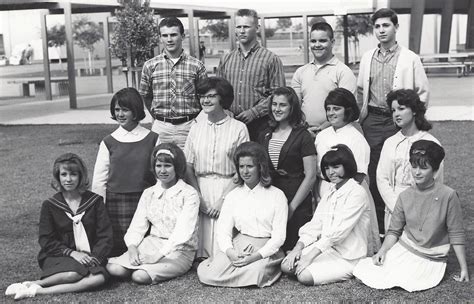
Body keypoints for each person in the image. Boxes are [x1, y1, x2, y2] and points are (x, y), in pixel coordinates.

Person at [354, 140, 469, 292]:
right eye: (414, 166)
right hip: (405, 249)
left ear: (434, 170)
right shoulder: (405, 196)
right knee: (367, 271)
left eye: (424, 168)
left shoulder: (448, 195)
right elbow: (394, 231)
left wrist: (464, 268)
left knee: (406, 281)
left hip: (431, 258)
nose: (417, 172)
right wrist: (382, 251)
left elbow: (456, 233)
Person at [357, 8, 429, 233]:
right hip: (373, 121)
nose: (381, 30)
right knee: (376, 170)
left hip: (399, 121)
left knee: (404, 168)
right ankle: (381, 223)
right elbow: (361, 90)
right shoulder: (368, 57)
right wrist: (362, 116)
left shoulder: (410, 58)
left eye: (386, 25)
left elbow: (423, 93)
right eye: (377, 26)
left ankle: (409, 222)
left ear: (396, 28)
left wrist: (413, 121)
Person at [5, 153, 113, 300]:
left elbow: (105, 236)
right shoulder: (50, 205)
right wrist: (73, 253)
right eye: (64, 174)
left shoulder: (95, 202)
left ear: (81, 176)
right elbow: (46, 240)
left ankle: (36, 290)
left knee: (99, 278)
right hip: (60, 255)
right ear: (58, 177)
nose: (68, 179)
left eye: (73, 174)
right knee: (73, 273)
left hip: (90, 256)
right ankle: (37, 282)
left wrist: (94, 257)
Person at [197, 142, 288, 287]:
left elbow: (279, 237)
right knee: (208, 274)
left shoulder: (277, 195)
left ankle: (248, 272)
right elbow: (223, 231)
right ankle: (229, 270)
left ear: (260, 167)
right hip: (239, 244)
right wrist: (231, 252)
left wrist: (255, 257)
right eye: (241, 167)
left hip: (265, 247)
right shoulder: (233, 196)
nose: (245, 171)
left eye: (250, 166)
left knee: (256, 272)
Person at [107, 144, 200, 284]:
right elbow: (137, 225)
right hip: (151, 244)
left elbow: (183, 231)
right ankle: (137, 265)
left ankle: (146, 269)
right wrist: (132, 248)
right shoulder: (149, 193)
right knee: (114, 269)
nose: (162, 171)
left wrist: (157, 256)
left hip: (179, 250)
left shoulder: (189, 193)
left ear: (177, 167)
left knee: (139, 276)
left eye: (167, 165)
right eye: (159, 166)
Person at [281, 145, 371, 286]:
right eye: (327, 168)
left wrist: (309, 256)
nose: (331, 172)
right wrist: (297, 248)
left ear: (347, 166)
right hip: (327, 248)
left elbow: (338, 232)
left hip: (348, 256)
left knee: (304, 276)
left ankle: (347, 270)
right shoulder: (330, 191)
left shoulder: (357, 192)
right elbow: (316, 223)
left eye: (336, 167)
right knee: (286, 265)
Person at [185, 77, 249, 259]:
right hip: (201, 187)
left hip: (229, 188)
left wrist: (223, 200)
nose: (206, 100)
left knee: (223, 248)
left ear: (223, 99)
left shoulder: (239, 128)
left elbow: (242, 169)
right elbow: (188, 165)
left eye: (211, 96)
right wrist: (198, 197)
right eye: (202, 96)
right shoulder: (195, 127)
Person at [92, 88, 159, 256]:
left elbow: (160, 174)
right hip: (116, 201)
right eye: (117, 110)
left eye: (125, 109)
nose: (120, 114)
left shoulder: (153, 139)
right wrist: (99, 209)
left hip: (144, 198)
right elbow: (99, 180)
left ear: (136, 110)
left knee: (144, 241)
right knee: (118, 245)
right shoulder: (108, 142)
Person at [314, 88, 380, 254]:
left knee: (347, 232)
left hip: (350, 192)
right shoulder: (322, 136)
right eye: (328, 109)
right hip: (325, 189)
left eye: (336, 109)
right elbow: (318, 169)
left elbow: (359, 174)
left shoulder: (355, 137)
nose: (331, 113)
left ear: (348, 110)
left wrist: (342, 196)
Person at [257, 87, 316, 252]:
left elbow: (310, 176)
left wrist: (291, 207)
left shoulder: (303, 136)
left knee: (293, 247)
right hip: (271, 197)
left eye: (282, 105)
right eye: (274, 104)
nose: (277, 109)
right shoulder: (265, 134)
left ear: (292, 108)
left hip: (296, 198)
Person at [377, 89, 443, 233]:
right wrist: (397, 207)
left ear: (414, 110)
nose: (396, 114)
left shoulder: (431, 142)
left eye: (401, 109)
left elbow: (437, 180)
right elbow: (382, 178)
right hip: (394, 204)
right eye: (393, 110)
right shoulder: (390, 142)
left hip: (422, 206)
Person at [216, 9, 285, 140]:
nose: (242, 31)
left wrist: (254, 112)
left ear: (257, 28)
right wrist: (225, 111)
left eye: (246, 26)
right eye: (239, 27)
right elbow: (218, 91)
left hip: (260, 125)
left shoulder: (271, 59)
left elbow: (278, 95)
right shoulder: (226, 59)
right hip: (231, 124)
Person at [139, 17, 207, 149]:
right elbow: (146, 95)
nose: (169, 39)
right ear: (160, 38)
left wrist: (196, 121)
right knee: (160, 166)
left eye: (173, 35)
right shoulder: (150, 65)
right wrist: (157, 117)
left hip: (189, 126)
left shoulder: (197, 65)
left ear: (183, 36)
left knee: (189, 166)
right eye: (165, 35)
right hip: (161, 127)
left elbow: (205, 96)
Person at [292, 22, 356, 137]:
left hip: (334, 134)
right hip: (305, 133)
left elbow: (347, 110)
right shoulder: (300, 72)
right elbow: (294, 107)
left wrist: (321, 129)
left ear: (332, 42)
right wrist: (304, 130)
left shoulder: (343, 72)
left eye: (322, 41)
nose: (317, 45)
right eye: (313, 41)